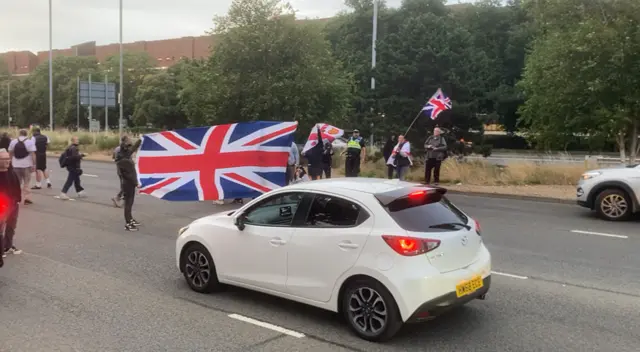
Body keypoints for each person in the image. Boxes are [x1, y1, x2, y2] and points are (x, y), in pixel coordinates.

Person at [0, 148, 22, 260]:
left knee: (11, 226)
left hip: (13, 204)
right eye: (4, 159)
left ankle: (7, 246)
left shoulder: (11, 172)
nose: (7, 161)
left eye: (8, 158)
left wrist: (18, 199)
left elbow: (16, 185)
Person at [116, 139, 141, 231]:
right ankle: (128, 224)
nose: (131, 149)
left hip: (129, 183)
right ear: (126, 148)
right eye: (129, 146)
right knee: (128, 204)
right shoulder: (124, 160)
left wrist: (140, 140)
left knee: (130, 203)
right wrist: (136, 183)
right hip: (128, 184)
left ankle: (130, 219)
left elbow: (133, 149)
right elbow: (129, 174)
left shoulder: (124, 155)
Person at [8, 129, 36, 205]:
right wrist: (34, 165)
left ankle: (15, 198)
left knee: (17, 182)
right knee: (26, 182)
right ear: (26, 134)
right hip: (27, 165)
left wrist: (9, 162)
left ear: (19, 134)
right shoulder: (30, 142)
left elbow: (10, 153)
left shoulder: (13, 141)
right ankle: (27, 198)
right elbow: (33, 154)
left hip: (16, 165)